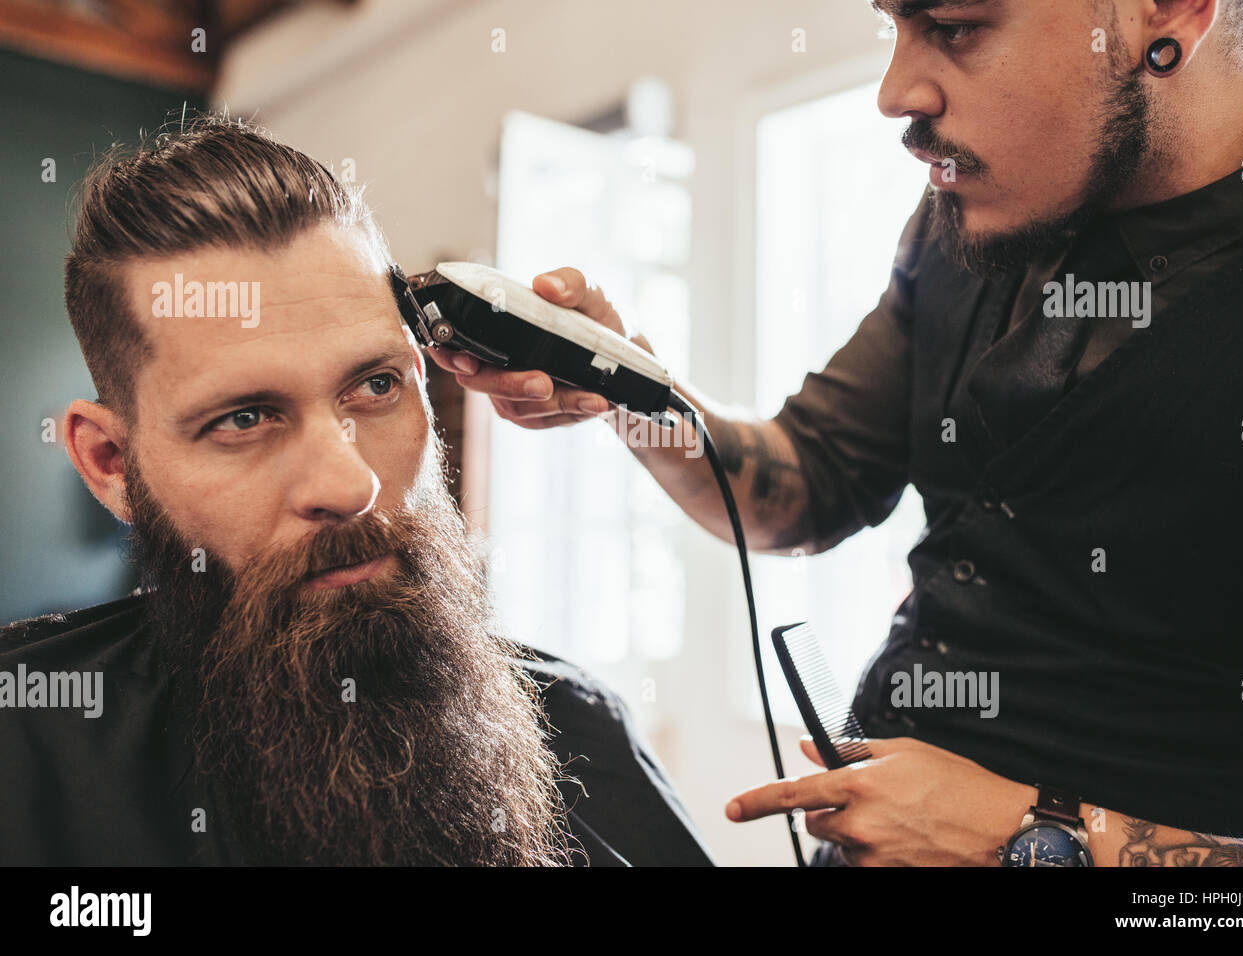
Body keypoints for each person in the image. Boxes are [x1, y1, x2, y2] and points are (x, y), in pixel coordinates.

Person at [438, 0, 1243, 865]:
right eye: (895, 24)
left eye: (956, 26)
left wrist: (1034, 839)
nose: (894, 92)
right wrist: (626, 388)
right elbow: (808, 481)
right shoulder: (974, 211)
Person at [0, 115, 713, 867]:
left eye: (377, 385)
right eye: (244, 418)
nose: (351, 485)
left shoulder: (581, 733)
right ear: (111, 462)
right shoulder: (26, 747)